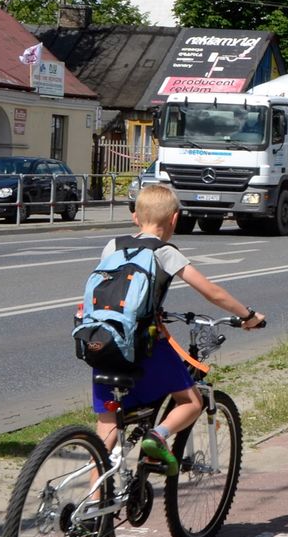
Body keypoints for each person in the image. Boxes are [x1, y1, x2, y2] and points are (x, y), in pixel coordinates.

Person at [91, 184, 266, 474]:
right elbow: (211, 292)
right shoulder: (165, 252)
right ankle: (157, 436)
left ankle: (92, 509)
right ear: (174, 219)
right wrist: (248, 315)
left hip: (102, 342)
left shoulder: (112, 246)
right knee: (191, 401)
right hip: (144, 347)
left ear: (135, 217)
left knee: (106, 426)